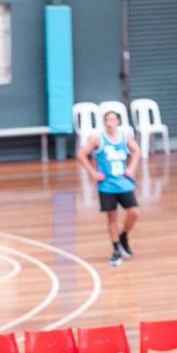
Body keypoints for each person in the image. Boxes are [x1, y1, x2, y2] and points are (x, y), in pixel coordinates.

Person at [76, 109, 141, 267]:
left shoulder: (125, 137)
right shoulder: (98, 138)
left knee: (134, 212)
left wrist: (131, 168)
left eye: (113, 119)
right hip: (107, 186)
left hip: (124, 183)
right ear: (104, 122)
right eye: (107, 120)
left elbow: (137, 151)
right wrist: (92, 172)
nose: (110, 122)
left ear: (117, 121)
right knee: (112, 217)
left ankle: (124, 235)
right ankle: (116, 249)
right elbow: (81, 154)